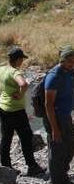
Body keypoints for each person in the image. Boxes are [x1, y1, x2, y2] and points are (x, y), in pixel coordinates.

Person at [0, 47, 45, 176]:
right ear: (18, 59)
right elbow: (24, 84)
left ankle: (6, 167)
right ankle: (32, 166)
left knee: (6, 138)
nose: (22, 62)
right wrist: (20, 95)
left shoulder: (2, 69)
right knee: (26, 138)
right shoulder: (15, 72)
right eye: (22, 60)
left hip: (3, 108)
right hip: (16, 110)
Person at [44, 47, 74, 184]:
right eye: (69, 60)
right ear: (62, 60)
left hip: (66, 116)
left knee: (70, 147)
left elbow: (72, 91)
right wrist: (54, 129)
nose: (72, 63)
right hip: (55, 117)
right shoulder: (54, 76)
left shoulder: (70, 72)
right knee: (57, 151)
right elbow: (48, 105)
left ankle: (63, 178)